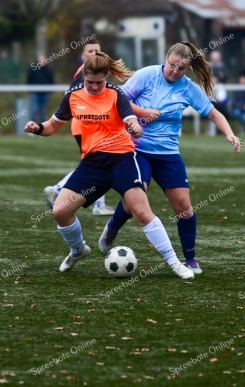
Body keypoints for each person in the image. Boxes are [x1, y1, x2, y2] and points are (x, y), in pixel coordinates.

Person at [23, 52, 195, 279]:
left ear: (106, 78)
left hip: (121, 160)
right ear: (83, 77)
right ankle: (77, 251)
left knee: (142, 212)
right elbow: (53, 125)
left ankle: (175, 264)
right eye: (90, 82)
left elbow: (134, 123)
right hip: (92, 164)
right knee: (60, 211)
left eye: (99, 82)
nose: (94, 87)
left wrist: (135, 128)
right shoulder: (73, 96)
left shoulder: (116, 94)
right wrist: (37, 128)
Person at [98, 41, 241, 274]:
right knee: (137, 197)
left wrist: (230, 133)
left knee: (184, 206)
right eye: (172, 65)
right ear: (166, 58)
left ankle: (191, 259)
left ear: (188, 69)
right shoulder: (147, 75)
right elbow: (117, 100)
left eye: (181, 69)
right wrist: (142, 113)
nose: (175, 71)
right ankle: (112, 227)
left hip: (168, 154)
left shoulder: (188, 88)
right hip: (137, 149)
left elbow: (214, 114)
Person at [43, 39, 114, 216]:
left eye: (97, 50)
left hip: (90, 127)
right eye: (90, 51)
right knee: (98, 165)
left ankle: (61, 190)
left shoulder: (95, 72)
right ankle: (60, 189)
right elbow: (72, 97)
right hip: (85, 127)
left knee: (96, 165)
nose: (94, 54)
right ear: (83, 55)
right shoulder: (84, 73)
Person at [27, 56, 54, 124]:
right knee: (34, 110)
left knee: (43, 111)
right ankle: (31, 127)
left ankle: (42, 128)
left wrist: (49, 91)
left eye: (43, 60)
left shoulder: (48, 70)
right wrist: (31, 91)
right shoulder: (33, 69)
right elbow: (29, 80)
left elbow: (51, 81)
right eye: (40, 60)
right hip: (35, 93)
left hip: (45, 94)